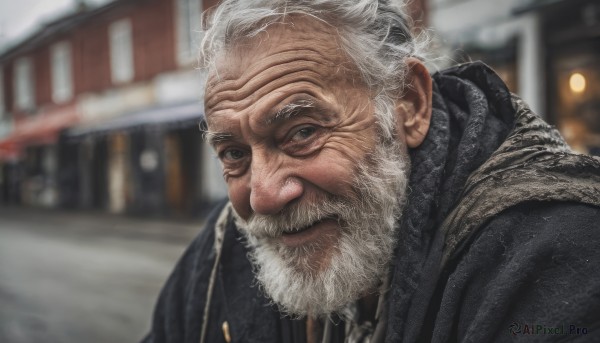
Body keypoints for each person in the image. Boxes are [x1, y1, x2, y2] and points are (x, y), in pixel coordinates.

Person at [142, 1, 600, 342]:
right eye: (234, 154)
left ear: (409, 103)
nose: (262, 196)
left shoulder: (556, 251)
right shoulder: (223, 250)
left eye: (301, 132)